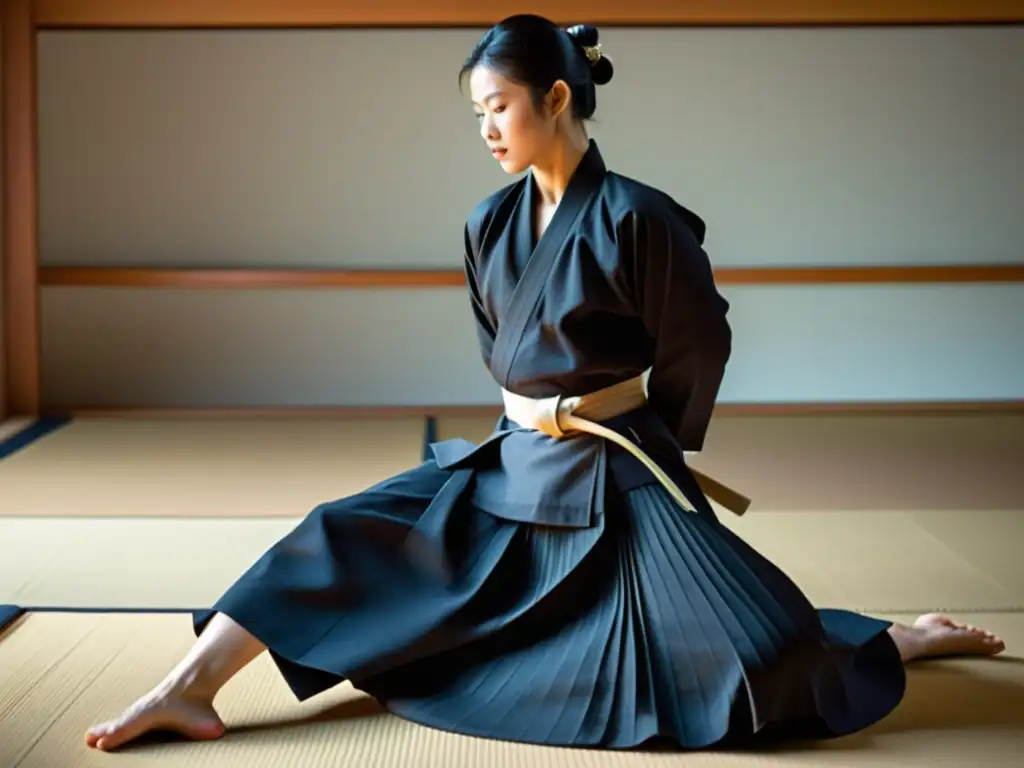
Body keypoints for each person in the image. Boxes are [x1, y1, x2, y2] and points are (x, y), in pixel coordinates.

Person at [85, 14, 1004, 753]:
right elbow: (502, 351)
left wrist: (657, 451)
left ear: (557, 97)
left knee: (769, 660)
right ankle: (189, 688)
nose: (485, 130)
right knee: (339, 535)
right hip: (512, 464)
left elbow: (699, 341)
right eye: (475, 114)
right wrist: (534, 428)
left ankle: (897, 638)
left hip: (618, 472)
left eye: (498, 108)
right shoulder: (490, 223)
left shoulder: (640, 218)